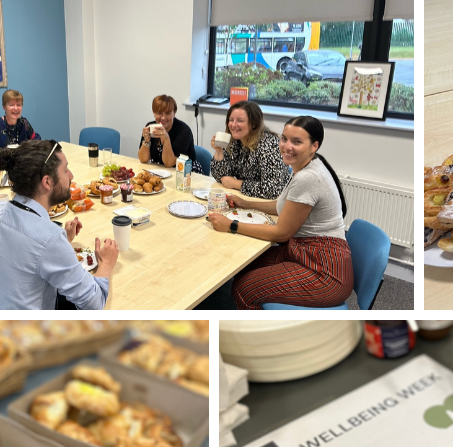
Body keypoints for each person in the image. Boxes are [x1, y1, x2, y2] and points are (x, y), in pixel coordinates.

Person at [207, 116, 352, 309]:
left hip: (325, 270)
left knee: (244, 289)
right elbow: (283, 206)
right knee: (244, 266)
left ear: (314, 146)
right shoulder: (308, 165)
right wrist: (244, 203)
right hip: (303, 251)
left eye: (297, 141)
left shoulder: (308, 178)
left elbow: (281, 233)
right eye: (284, 139)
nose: (286, 146)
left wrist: (231, 225)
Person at [0, 140, 118, 310]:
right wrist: (106, 264)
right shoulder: (49, 239)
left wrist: (63, 242)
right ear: (47, 182)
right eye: (65, 170)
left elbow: (22, 257)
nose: (71, 175)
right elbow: (94, 304)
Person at [210, 101, 291, 199]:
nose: (233, 125)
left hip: (272, 203)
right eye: (231, 120)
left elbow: (272, 190)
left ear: (254, 124)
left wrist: (237, 184)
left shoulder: (270, 145)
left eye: (240, 121)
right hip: (246, 198)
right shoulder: (235, 141)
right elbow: (222, 178)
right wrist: (219, 151)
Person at [138, 94, 195, 167]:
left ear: (174, 114)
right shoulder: (150, 127)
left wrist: (166, 139)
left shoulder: (184, 131)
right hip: (160, 169)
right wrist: (146, 141)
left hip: (185, 171)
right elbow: (143, 159)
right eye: (159, 113)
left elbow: (170, 163)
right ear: (154, 113)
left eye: (167, 113)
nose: (163, 118)